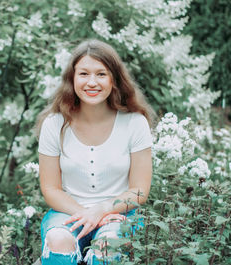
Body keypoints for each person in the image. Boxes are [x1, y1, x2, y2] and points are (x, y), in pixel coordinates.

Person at [36, 39, 154, 265]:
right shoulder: (54, 124)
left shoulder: (135, 123)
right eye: (84, 74)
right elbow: (50, 188)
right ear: (72, 79)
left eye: (101, 74)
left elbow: (139, 190)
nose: (92, 82)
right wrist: (87, 214)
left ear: (114, 79)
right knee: (58, 239)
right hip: (67, 213)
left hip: (119, 214)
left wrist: (101, 210)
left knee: (108, 247)